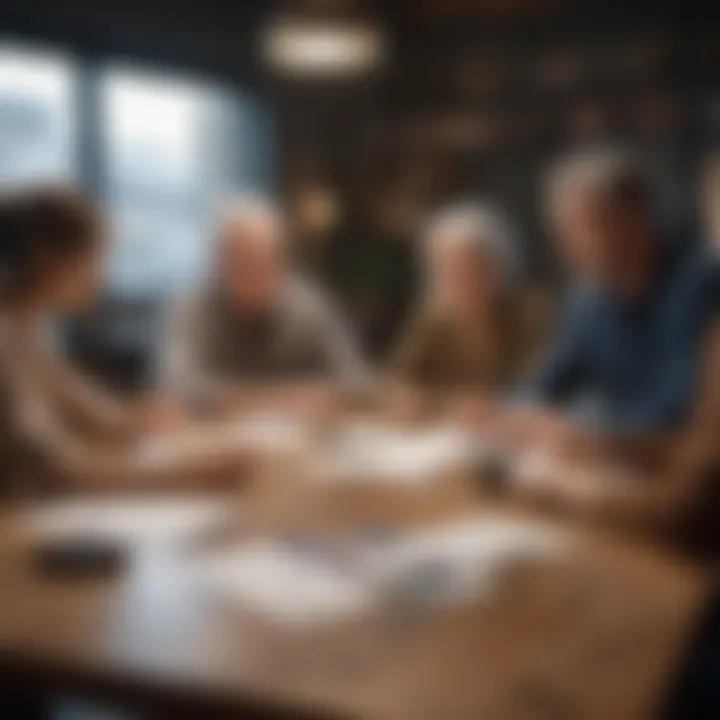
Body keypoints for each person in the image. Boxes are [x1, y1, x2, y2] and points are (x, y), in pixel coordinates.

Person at [0, 186, 247, 496]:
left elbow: (87, 410)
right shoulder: (7, 340)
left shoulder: (28, 331)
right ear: (46, 257)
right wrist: (197, 474)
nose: (99, 276)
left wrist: (138, 420)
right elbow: (51, 467)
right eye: (92, 258)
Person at [514, 150, 719, 471]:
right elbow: (546, 383)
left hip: (682, 478)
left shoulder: (702, 283)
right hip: (617, 465)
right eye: (562, 230)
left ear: (634, 220)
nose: (565, 245)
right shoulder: (588, 299)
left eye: (580, 226)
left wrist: (591, 433)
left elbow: (679, 409)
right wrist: (514, 415)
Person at [157, 197, 367, 413]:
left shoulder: (309, 306)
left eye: (268, 261)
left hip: (302, 436)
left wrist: (325, 396)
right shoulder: (191, 307)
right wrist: (272, 398)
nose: (256, 274)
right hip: (214, 437)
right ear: (219, 264)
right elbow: (173, 383)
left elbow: (355, 378)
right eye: (243, 261)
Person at [387, 202, 548, 420]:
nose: (458, 280)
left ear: (500, 266)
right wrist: (411, 399)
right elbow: (396, 382)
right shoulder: (435, 320)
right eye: (446, 270)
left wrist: (497, 407)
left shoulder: (532, 318)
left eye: (470, 267)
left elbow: (552, 396)